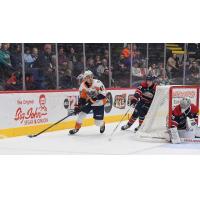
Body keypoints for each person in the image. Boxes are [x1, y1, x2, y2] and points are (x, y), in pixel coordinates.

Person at [69, 70, 107, 135]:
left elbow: (103, 94)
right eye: (87, 77)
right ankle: (76, 128)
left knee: (97, 123)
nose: (89, 78)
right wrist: (79, 106)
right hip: (89, 102)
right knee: (81, 115)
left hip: (99, 103)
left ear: (92, 76)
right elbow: (82, 97)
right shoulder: (83, 85)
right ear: (85, 78)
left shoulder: (98, 83)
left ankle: (102, 123)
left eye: (91, 76)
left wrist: (93, 99)